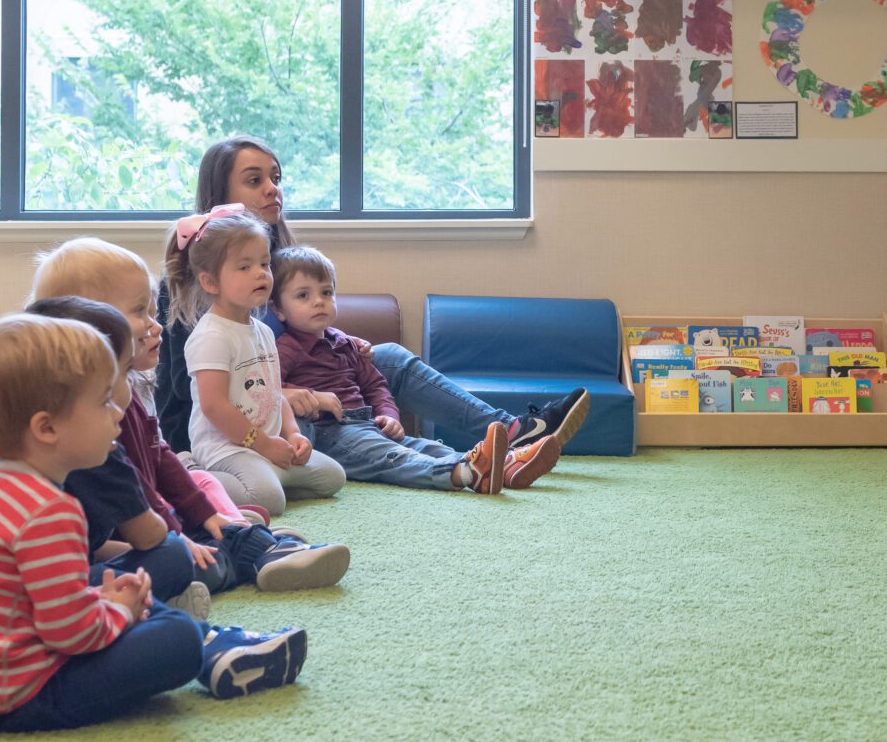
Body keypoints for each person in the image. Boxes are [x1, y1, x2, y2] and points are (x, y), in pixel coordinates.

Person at [0, 313, 308, 731]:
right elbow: (71, 635)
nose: (118, 413)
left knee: (167, 558)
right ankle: (205, 643)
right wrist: (119, 611)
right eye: (104, 402)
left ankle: (197, 634)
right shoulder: (50, 510)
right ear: (46, 428)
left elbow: (34, 596)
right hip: (16, 695)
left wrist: (101, 600)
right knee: (177, 635)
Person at [154, 136, 589, 458]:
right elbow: (191, 391)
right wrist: (283, 393)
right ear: (220, 198)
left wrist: (341, 344)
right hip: (240, 424)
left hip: (302, 392)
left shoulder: (280, 263)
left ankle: (511, 432)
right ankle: (458, 462)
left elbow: (299, 334)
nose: (273, 189)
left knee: (389, 358)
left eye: (276, 178)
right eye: (255, 180)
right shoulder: (194, 281)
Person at [31, 238, 350, 595]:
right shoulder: (89, 422)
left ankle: (256, 543)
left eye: (153, 311)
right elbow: (135, 502)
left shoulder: (127, 391)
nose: (155, 326)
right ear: (89, 327)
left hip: (141, 525)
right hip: (125, 537)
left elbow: (160, 459)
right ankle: (253, 552)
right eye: (139, 312)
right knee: (182, 557)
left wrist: (204, 515)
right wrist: (179, 534)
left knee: (204, 516)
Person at [272, 245, 563, 492]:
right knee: (392, 456)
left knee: (423, 446)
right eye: (303, 296)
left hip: (365, 422)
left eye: (326, 293)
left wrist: (389, 414)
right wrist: (307, 397)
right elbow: (268, 391)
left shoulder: (345, 343)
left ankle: (502, 465)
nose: (319, 302)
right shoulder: (286, 349)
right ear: (279, 310)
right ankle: (463, 473)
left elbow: (374, 384)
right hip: (329, 432)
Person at [167, 208, 347, 518]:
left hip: (265, 445)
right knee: (267, 499)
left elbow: (275, 394)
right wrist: (264, 445)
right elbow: (214, 407)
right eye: (245, 267)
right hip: (226, 450)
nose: (261, 273)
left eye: (264, 264)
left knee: (333, 477)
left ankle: (266, 479)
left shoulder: (262, 331)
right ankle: (192, 476)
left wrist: (293, 434)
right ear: (210, 282)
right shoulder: (211, 336)